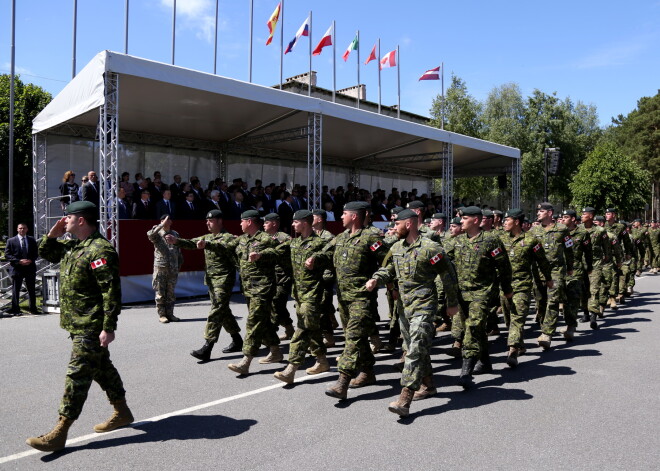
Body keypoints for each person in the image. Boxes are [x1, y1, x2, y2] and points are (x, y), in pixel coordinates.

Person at [26, 201, 133, 452]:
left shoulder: (101, 250)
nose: (65, 221)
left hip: (91, 325)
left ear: (81, 220)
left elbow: (111, 292)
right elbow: (46, 252)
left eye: (68, 217)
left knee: (77, 375)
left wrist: (109, 327)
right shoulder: (73, 246)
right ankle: (122, 411)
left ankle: (59, 431)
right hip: (76, 323)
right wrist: (52, 235)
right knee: (101, 368)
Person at [367, 209, 459, 417]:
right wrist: (376, 279)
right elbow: (390, 269)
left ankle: (405, 397)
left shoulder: (431, 248)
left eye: (396, 224)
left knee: (415, 350)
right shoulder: (398, 247)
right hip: (404, 309)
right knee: (414, 347)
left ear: (408, 224)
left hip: (424, 306)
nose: (392, 228)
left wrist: (452, 303)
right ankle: (429, 386)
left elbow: (448, 275)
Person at [308, 201, 388, 400]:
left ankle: (342, 382)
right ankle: (368, 372)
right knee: (357, 339)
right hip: (343, 298)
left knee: (352, 339)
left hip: (362, 297)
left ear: (353, 216)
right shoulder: (341, 238)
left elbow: (388, 260)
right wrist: (315, 258)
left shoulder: (372, 237)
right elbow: (327, 252)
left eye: (343, 213)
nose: (340, 217)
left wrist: (377, 278)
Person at [251, 209, 332, 384]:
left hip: (313, 294)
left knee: (302, 330)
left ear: (305, 223)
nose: (293, 225)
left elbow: (329, 254)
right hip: (299, 295)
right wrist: (260, 255)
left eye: (295, 222)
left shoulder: (320, 242)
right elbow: (277, 251)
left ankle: (291, 369)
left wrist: (316, 259)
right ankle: (322, 361)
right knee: (312, 328)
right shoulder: (294, 243)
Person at [201, 210, 282, 375]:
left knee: (252, 322)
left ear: (250, 222)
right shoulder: (242, 239)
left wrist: (261, 254)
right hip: (248, 288)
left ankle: (246, 361)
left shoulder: (266, 239)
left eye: (242, 221)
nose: (240, 224)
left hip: (263, 288)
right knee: (263, 321)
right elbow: (224, 246)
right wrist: (207, 244)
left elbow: (279, 253)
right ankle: (275, 351)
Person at [166, 210, 243, 361]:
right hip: (211, 281)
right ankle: (237, 340)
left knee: (216, 311)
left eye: (211, 220)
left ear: (220, 221)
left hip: (224, 280)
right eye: (206, 221)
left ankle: (207, 346)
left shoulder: (228, 238)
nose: (207, 223)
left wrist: (206, 244)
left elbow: (221, 246)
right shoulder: (206, 237)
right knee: (223, 310)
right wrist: (176, 241)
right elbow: (191, 243)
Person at [452, 206, 512, 388]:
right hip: (462, 294)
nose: (460, 221)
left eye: (464, 219)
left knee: (472, 328)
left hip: (482, 293)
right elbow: (441, 260)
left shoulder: (491, 241)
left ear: (475, 221)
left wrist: (507, 289)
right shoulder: (457, 241)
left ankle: (466, 372)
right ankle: (485, 361)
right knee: (475, 329)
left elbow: (504, 266)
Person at [499, 209, 552, 366]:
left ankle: (513, 350)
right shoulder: (499, 239)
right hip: (504, 285)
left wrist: (548, 278)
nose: (504, 223)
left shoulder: (531, 240)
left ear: (516, 222)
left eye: (507, 220)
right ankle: (520, 344)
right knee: (509, 319)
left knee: (518, 316)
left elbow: (542, 261)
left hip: (522, 284)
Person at [530, 203, 574, 350]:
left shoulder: (562, 229)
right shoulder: (533, 230)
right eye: (538, 211)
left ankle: (547, 334)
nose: (538, 213)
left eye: (541, 211)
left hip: (556, 270)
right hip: (538, 271)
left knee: (553, 301)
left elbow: (569, 249)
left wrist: (570, 267)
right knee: (540, 302)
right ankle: (546, 326)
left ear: (549, 213)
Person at [262, 213, 295, 340]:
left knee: (276, 304)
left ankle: (270, 336)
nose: (264, 225)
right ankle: (289, 329)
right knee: (276, 305)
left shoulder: (284, 237)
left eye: (266, 222)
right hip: (269, 278)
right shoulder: (263, 237)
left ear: (274, 224)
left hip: (282, 277)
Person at [148, 215, 184, 323]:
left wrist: (179, 265)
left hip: (173, 268)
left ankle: (170, 314)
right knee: (160, 292)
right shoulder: (157, 233)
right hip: (161, 267)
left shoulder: (175, 234)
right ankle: (162, 315)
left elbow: (178, 251)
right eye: (165, 220)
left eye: (169, 220)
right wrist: (161, 225)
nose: (167, 222)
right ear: (161, 221)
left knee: (171, 293)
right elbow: (150, 234)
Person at [5, 223, 39, 315]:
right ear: (17, 229)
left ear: (27, 229)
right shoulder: (11, 241)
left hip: (30, 268)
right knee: (16, 290)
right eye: (20, 228)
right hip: (17, 269)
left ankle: (33, 309)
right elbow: (7, 255)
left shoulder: (32, 240)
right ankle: (15, 309)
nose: (22, 230)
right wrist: (19, 261)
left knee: (31, 289)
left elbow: (36, 253)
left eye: (24, 228)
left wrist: (30, 260)